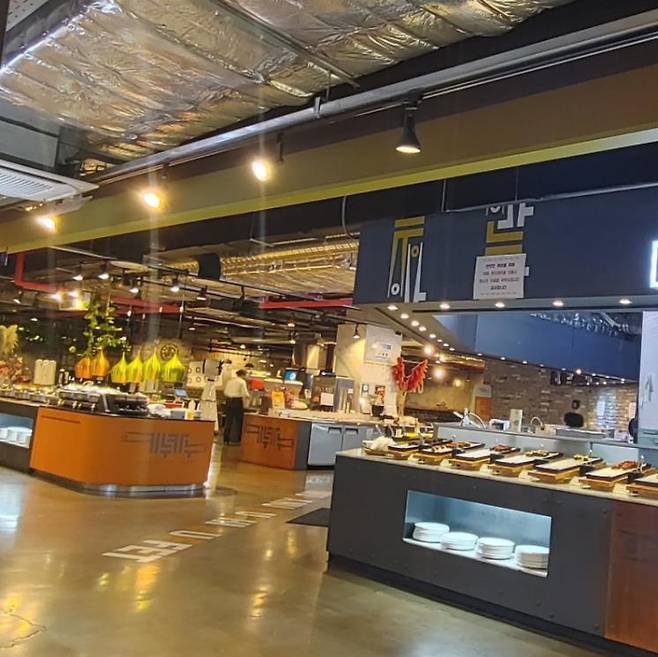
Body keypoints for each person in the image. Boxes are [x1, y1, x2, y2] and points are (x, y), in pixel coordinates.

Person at [223, 369, 250, 445]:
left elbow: (225, 392)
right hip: (237, 402)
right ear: (242, 375)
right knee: (238, 421)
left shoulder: (230, 381)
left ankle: (226, 439)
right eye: (246, 375)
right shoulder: (242, 382)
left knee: (228, 420)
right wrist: (248, 399)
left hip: (228, 401)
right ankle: (236, 440)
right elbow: (245, 394)